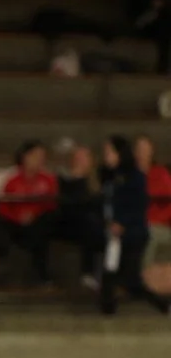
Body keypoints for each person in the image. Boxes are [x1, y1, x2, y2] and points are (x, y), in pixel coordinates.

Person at [97, 136, 171, 315]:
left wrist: (123, 222)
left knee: (131, 279)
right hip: (114, 233)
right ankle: (107, 309)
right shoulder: (108, 176)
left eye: (110, 152)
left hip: (132, 234)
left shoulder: (134, 177)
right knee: (109, 272)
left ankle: (161, 304)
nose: (106, 156)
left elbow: (139, 205)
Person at [0, 141, 58, 285]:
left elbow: (52, 205)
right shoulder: (12, 181)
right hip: (16, 225)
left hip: (39, 223)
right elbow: (3, 207)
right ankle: (2, 273)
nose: (40, 160)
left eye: (42, 156)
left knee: (47, 222)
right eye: (36, 156)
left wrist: (34, 213)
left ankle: (42, 275)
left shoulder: (48, 180)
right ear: (25, 157)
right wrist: (18, 217)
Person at [54, 141, 105, 289]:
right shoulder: (65, 180)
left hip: (94, 224)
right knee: (90, 224)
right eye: (78, 158)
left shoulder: (98, 181)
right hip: (69, 224)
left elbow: (99, 205)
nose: (81, 161)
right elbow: (69, 205)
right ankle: (87, 273)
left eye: (84, 158)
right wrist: (77, 179)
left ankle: (105, 276)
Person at [133, 135, 171, 269]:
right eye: (139, 149)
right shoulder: (129, 175)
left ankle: (145, 274)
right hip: (134, 224)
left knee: (150, 235)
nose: (141, 153)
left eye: (145, 149)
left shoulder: (160, 173)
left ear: (152, 151)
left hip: (159, 225)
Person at [130, 0, 170, 74]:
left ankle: (163, 68)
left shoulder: (165, 13)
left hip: (162, 35)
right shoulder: (149, 11)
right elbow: (139, 24)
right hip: (152, 33)